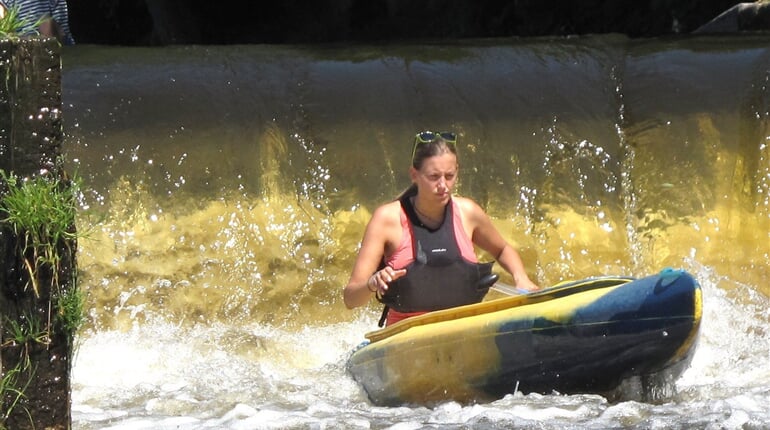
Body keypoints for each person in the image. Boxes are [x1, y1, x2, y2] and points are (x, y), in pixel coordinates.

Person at [343, 131, 539, 327]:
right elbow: (351, 299)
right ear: (414, 175)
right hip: (406, 335)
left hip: (462, 327)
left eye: (450, 176)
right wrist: (372, 283)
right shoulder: (387, 219)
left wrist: (521, 278)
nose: (443, 185)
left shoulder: (468, 212)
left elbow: (502, 249)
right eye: (434, 177)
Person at [0, 0, 74, 45]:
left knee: (46, 22)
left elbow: (62, 33)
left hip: (51, 45)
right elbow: (4, 30)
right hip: (20, 46)